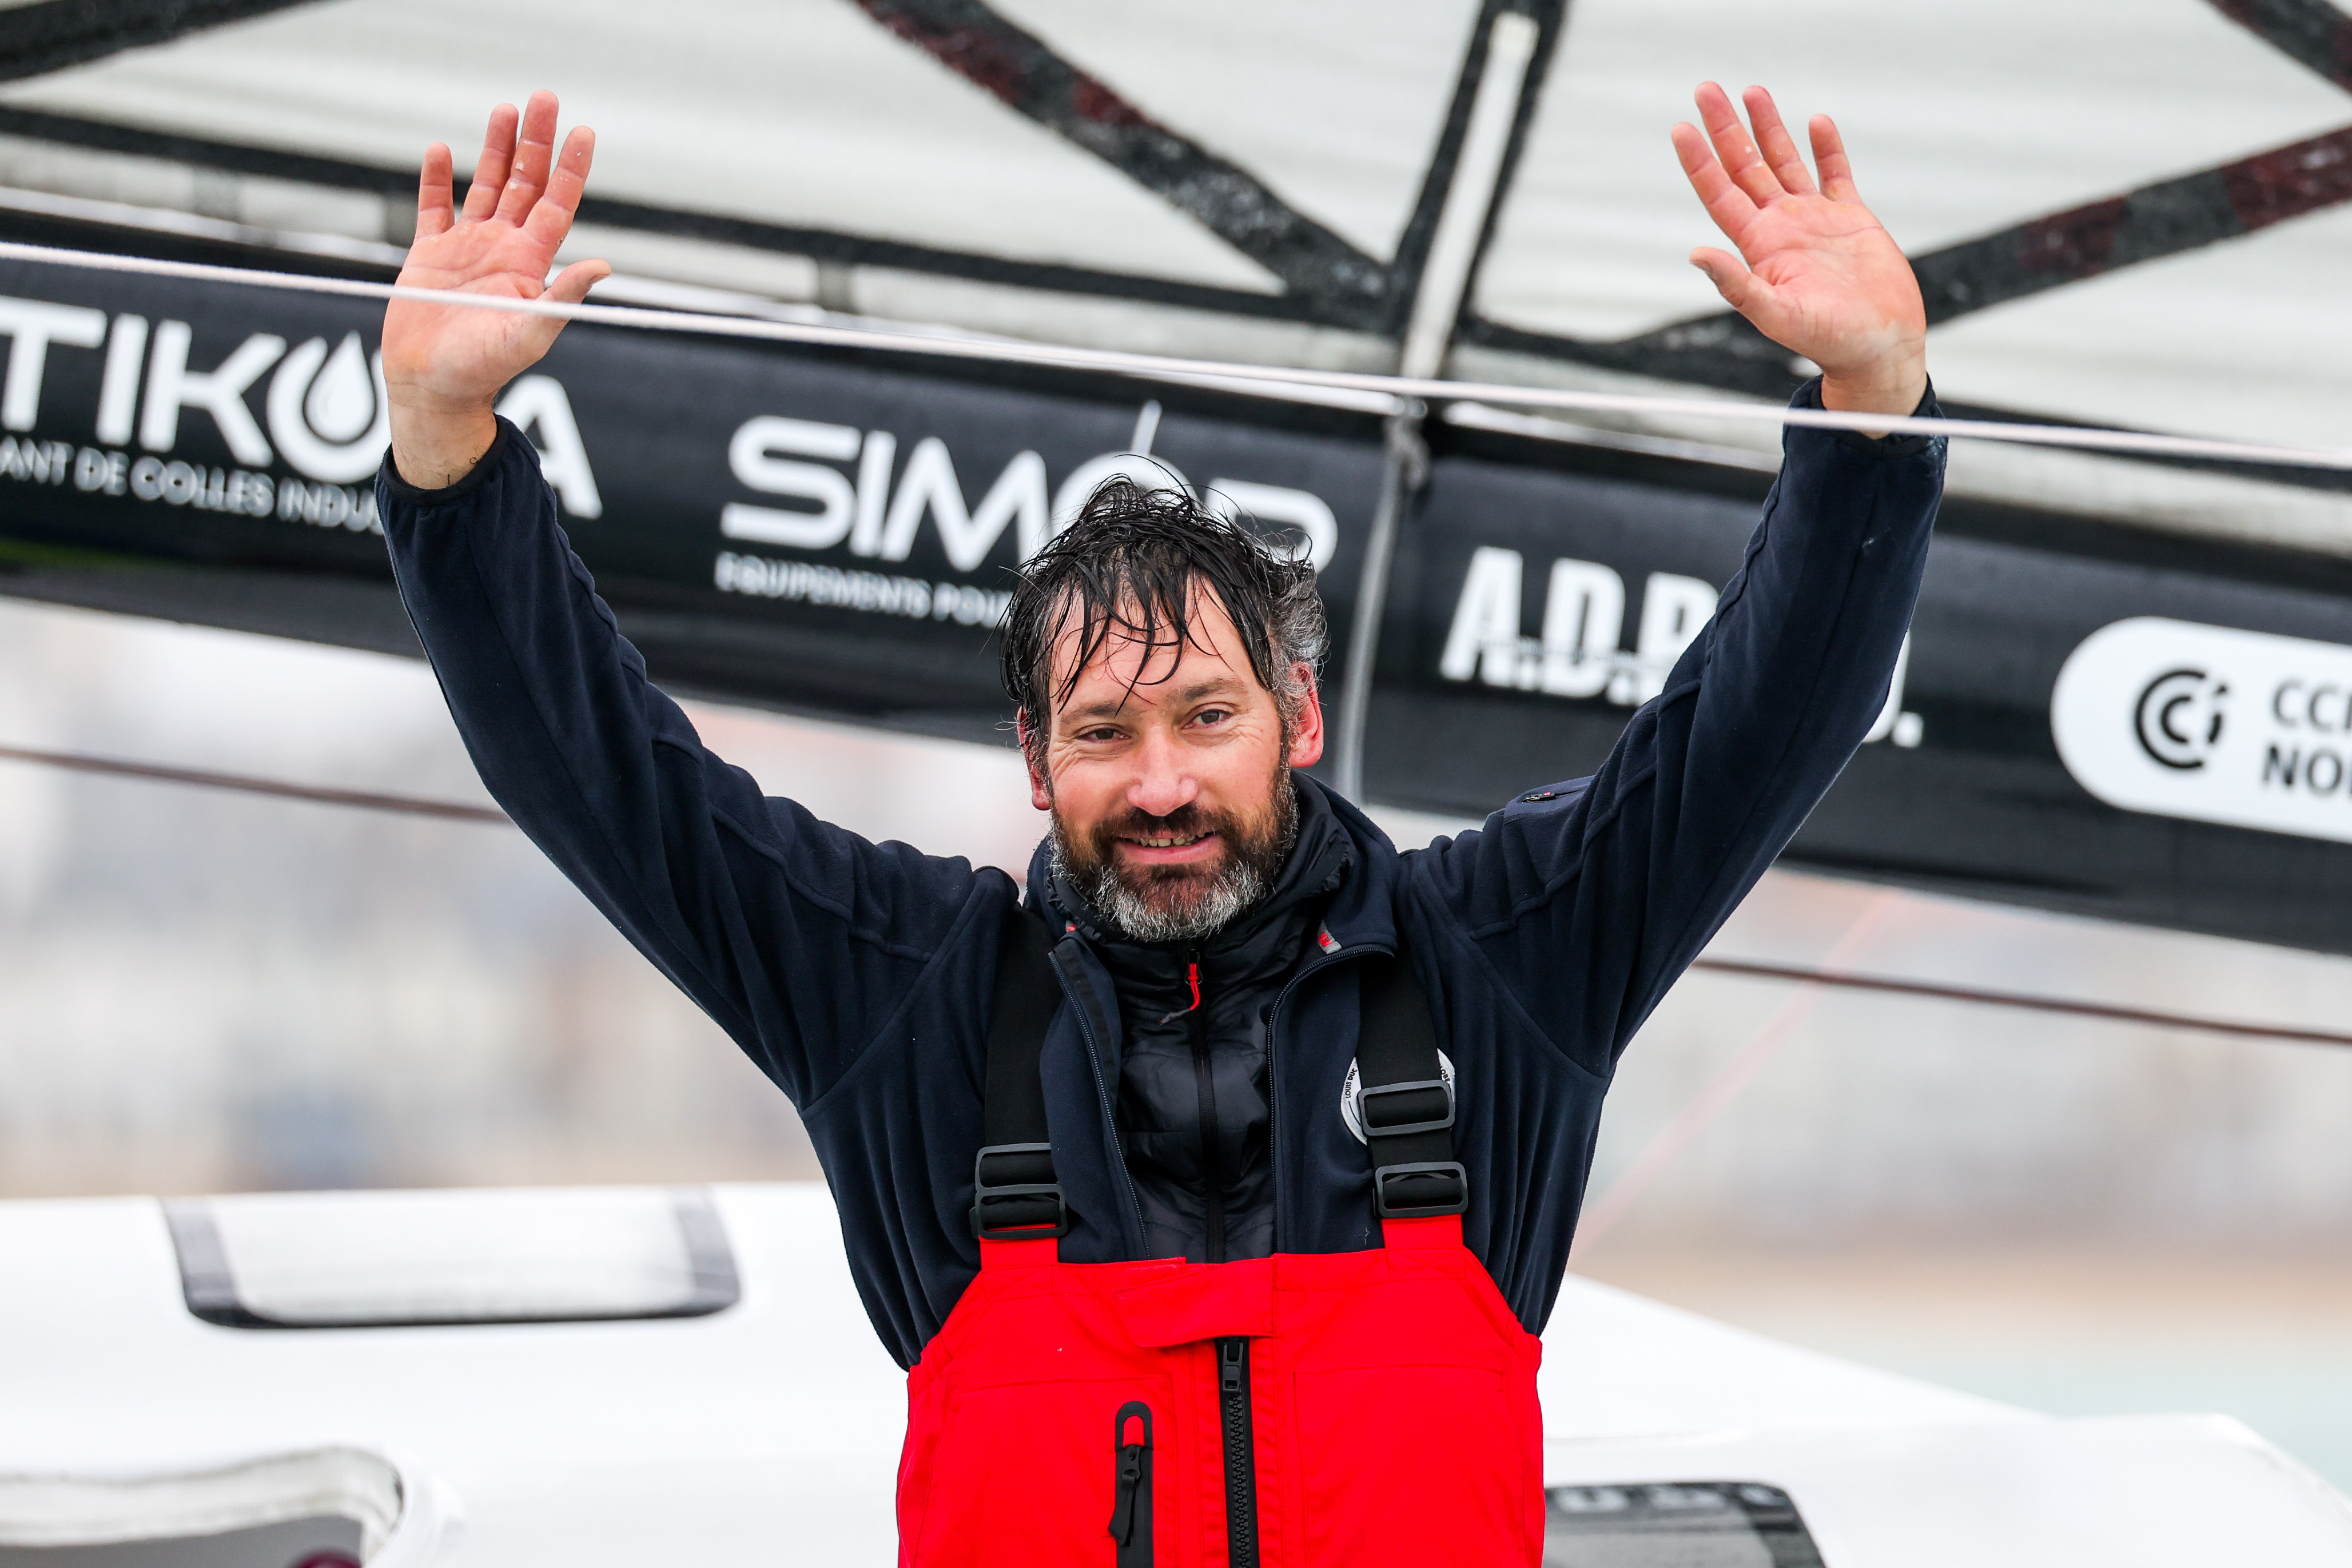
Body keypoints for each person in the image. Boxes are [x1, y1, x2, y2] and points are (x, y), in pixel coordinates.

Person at [378, 81, 1940, 1568]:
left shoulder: (1497, 958)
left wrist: (1869, 413)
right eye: (1104, 733)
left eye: (1205, 718)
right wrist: (445, 450)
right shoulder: (911, 999)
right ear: (1034, 761)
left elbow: (1761, 729)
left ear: (1298, 721)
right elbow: (606, 783)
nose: (1162, 784)